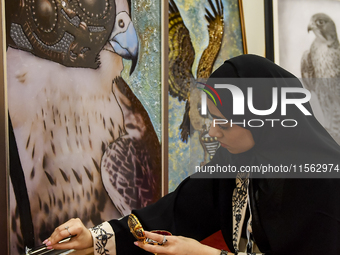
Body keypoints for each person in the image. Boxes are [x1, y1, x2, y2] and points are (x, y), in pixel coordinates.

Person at [44, 54, 340, 254]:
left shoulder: (321, 179)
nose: (212, 132)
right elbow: (176, 212)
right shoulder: (239, 162)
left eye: (223, 122)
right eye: (211, 119)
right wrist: (95, 239)